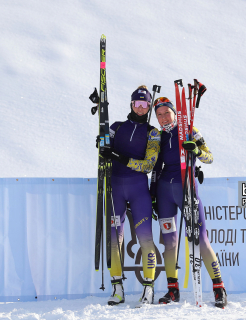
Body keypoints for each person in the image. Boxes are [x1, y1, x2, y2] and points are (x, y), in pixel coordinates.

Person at [150, 97, 227, 308]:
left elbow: (209, 158)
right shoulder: (158, 136)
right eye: (160, 114)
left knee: (201, 239)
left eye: (167, 112)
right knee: (169, 241)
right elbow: (156, 168)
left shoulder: (190, 130)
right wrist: (153, 195)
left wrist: (196, 151)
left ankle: (219, 287)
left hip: (187, 189)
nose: (164, 117)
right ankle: (172, 289)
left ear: (175, 113)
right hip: (165, 191)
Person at [99, 85, 161, 307]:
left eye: (145, 105)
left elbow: (148, 165)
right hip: (115, 187)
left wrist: (118, 156)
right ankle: (117, 288)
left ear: (149, 107)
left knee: (146, 239)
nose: (141, 108)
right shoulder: (117, 126)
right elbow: (104, 145)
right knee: (115, 238)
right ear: (131, 105)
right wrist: (101, 143)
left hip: (138, 191)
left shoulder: (153, 133)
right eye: (137, 104)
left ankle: (148, 289)